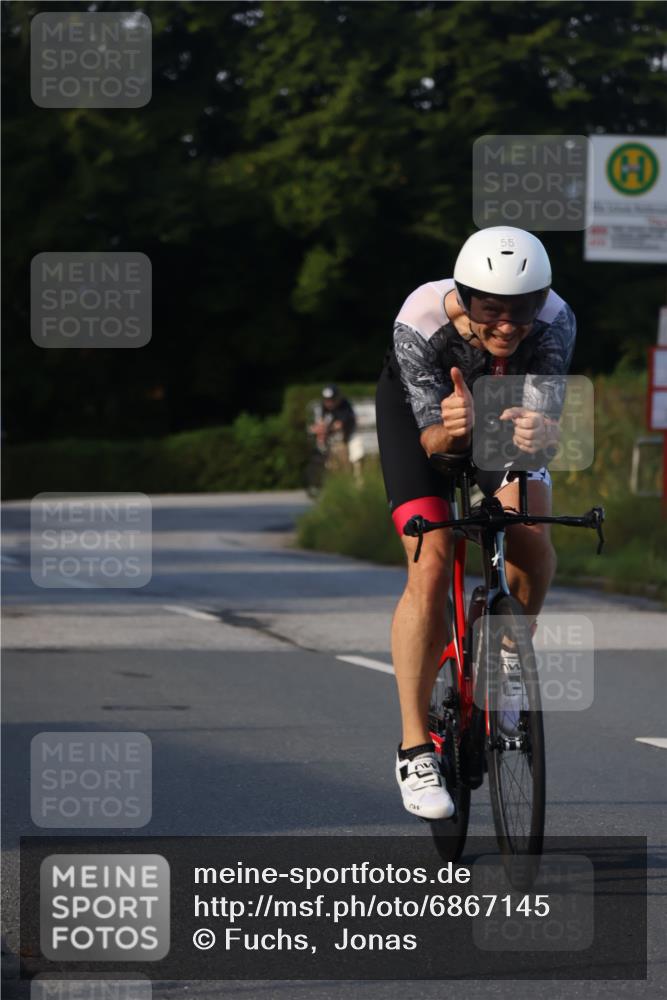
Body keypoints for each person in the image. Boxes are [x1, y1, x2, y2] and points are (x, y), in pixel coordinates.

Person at [375, 226, 575, 821]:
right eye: (492, 311)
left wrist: (543, 433)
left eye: (523, 310)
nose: (508, 326)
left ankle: (508, 655)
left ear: (541, 301)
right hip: (424, 422)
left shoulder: (557, 320)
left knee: (531, 537)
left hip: (501, 415)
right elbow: (434, 444)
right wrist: (451, 426)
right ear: (465, 298)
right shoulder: (420, 319)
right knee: (432, 561)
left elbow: (543, 426)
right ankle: (415, 749)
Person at [310, 385, 357, 470]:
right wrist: (319, 428)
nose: (328, 403)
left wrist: (324, 429)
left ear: (337, 398)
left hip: (349, 436)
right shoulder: (324, 405)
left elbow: (339, 425)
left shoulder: (345, 406)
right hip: (333, 437)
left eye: (331, 400)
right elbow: (321, 422)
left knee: (354, 453)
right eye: (326, 400)